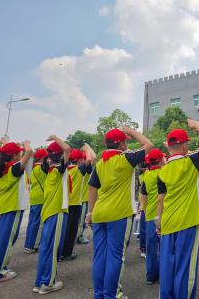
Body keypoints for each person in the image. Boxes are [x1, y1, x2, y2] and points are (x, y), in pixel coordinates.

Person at [86, 127, 153, 299]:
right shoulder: (126, 159)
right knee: (115, 256)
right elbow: (148, 144)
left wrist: (90, 212)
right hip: (119, 214)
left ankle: (99, 294)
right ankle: (110, 295)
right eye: (126, 141)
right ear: (121, 144)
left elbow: (92, 188)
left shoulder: (100, 164)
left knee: (99, 256)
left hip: (99, 213)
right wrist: (131, 131)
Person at [157, 119, 199, 299]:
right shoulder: (192, 161)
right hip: (187, 222)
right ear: (185, 146)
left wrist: (158, 222)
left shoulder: (163, 171)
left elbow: (160, 199)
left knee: (167, 267)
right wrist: (198, 126)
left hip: (167, 222)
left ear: (169, 148)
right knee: (185, 269)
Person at [0, 141, 32, 283]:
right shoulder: (13, 168)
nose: (21, 154)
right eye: (18, 153)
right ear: (14, 156)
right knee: (6, 241)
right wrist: (26, 144)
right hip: (11, 207)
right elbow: (29, 152)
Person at [34, 136, 71, 294]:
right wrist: (55, 137)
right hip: (57, 212)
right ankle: (48, 282)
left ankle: (39, 282)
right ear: (60, 156)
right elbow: (68, 149)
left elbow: (65, 150)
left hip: (48, 213)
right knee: (52, 249)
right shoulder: (58, 169)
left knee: (45, 248)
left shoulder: (48, 171)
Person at [140, 148, 165, 285]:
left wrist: (145, 209)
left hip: (149, 216)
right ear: (161, 160)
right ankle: (163, 273)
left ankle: (150, 275)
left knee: (151, 247)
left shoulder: (147, 175)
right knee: (164, 247)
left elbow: (144, 195)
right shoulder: (164, 173)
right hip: (163, 215)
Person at [60, 148, 85, 261]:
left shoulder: (64, 170)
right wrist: (86, 147)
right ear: (79, 160)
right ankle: (66, 253)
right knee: (71, 230)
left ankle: (61, 252)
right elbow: (92, 158)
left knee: (65, 229)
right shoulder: (78, 170)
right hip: (75, 203)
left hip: (65, 203)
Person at [24, 148, 49, 254]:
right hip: (40, 198)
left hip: (34, 197)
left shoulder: (33, 168)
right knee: (37, 223)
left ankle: (28, 244)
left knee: (31, 222)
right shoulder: (42, 168)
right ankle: (34, 244)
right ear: (43, 158)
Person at [77, 145, 95, 245]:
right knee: (81, 220)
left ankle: (79, 235)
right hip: (83, 198)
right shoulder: (83, 169)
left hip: (83, 198)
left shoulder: (79, 169)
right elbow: (93, 158)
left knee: (81, 219)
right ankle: (79, 236)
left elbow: (93, 157)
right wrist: (88, 148)